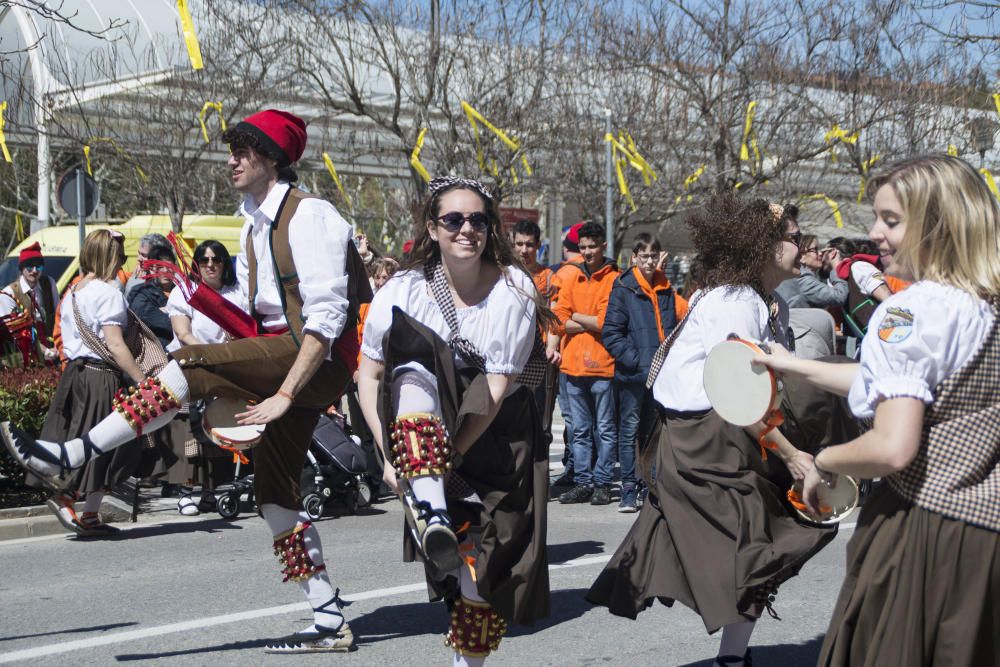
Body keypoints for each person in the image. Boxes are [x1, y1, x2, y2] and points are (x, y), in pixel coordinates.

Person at [2, 109, 370, 653]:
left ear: (273, 158)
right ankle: (328, 617)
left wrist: (285, 392)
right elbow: (254, 319)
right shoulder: (252, 223)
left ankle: (73, 455)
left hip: (314, 358)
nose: (232, 159)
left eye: (243, 149)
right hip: (283, 353)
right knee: (274, 497)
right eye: (233, 149)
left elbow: (328, 319)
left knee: (194, 363)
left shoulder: (310, 215)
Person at [756, 155, 1000, 666]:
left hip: (926, 529)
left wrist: (822, 462)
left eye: (891, 220)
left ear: (938, 225)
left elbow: (892, 446)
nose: (873, 233)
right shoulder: (982, 304)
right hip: (985, 535)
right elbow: (896, 383)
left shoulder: (910, 311)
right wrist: (794, 365)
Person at [586, 194, 836, 667]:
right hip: (702, 440)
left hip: (726, 435)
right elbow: (740, 394)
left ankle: (732, 657)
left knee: (761, 548)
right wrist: (792, 456)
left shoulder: (765, 300)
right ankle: (733, 657)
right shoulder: (735, 300)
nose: (802, 246)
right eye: (793, 238)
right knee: (758, 548)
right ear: (763, 245)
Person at [357, 176, 550, 666]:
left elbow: (497, 388)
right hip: (419, 430)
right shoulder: (404, 288)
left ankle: (470, 663)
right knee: (416, 365)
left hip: (495, 431)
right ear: (432, 227)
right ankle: (433, 510)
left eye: (478, 220)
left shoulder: (514, 287)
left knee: (483, 571)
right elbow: (370, 373)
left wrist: (452, 456)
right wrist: (390, 456)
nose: (467, 229)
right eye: (454, 219)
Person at [38, 229, 145, 537]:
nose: (122, 263)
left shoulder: (74, 291)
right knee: (104, 444)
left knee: (82, 440)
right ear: (110, 257)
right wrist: (141, 380)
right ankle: (69, 497)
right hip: (101, 376)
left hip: (75, 375)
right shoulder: (108, 292)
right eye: (121, 257)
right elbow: (115, 344)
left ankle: (91, 515)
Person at [601, 233, 688, 512]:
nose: (649, 261)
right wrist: (637, 361)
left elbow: (672, 326)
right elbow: (611, 333)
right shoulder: (624, 287)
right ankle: (628, 487)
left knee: (652, 432)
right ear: (635, 258)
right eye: (644, 256)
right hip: (634, 374)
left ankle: (648, 483)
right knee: (628, 431)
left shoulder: (665, 287)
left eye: (654, 255)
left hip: (660, 374)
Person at [165, 240, 247, 515]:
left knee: (219, 428)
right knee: (189, 432)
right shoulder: (184, 292)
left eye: (216, 260)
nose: (210, 265)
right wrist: (209, 353)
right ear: (196, 265)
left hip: (226, 367)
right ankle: (187, 490)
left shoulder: (236, 293)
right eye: (204, 260)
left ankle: (213, 491)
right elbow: (183, 333)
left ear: (225, 264)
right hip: (190, 366)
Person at [553, 222, 620, 506]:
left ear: (604, 246)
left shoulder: (614, 278)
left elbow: (606, 323)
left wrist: (576, 317)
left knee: (604, 428)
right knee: (579, 430)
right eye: (583, 248)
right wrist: (586, 319)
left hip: (603, 367)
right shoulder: (571, 277)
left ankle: (602, 483)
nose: (588, 252)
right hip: (572, 367)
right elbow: (559, 320)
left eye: (593, 246)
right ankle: (583, 482)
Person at [512, 219, 560, 444]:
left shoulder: (549, 278)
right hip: (510, 355)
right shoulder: (503, 276)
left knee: (540, 417)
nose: (524, 250)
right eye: (519, 244)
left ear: (538, 245)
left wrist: (551, 347)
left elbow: (554, 317)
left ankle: (539, 471)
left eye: (529, 245)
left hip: (538, 357)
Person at [548, 222, 585, 488]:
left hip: (570, 356)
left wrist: (552, 345)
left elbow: (555, 318)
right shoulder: (608, 270)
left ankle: (575, 467)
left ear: (566, 247)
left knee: (573, 418)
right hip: (601, 359)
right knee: (596, 421)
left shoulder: (563, 274)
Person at [6, 242, 60, 353]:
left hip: (53, 350)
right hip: (25, 354)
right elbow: (15, 334)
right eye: (30, 266)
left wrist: (58, 346)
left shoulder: (49, 283)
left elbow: (60, 317)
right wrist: (44, 351)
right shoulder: (10, 292)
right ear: (22, 269)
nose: (35, 271)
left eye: (38, 266)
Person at [127, 245, 177, 348]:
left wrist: (167, 311)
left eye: (169, 266)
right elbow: (149, 316)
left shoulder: (182, 292)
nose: (165, 271)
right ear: (152, 268)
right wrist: (181, 318)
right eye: (160, 267)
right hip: (156, 352)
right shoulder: (140, 292)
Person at [124, 233, 172, 298]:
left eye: (144, 255)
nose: (139, 259)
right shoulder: (136, 279)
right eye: (139, 253)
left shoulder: (176, 282)